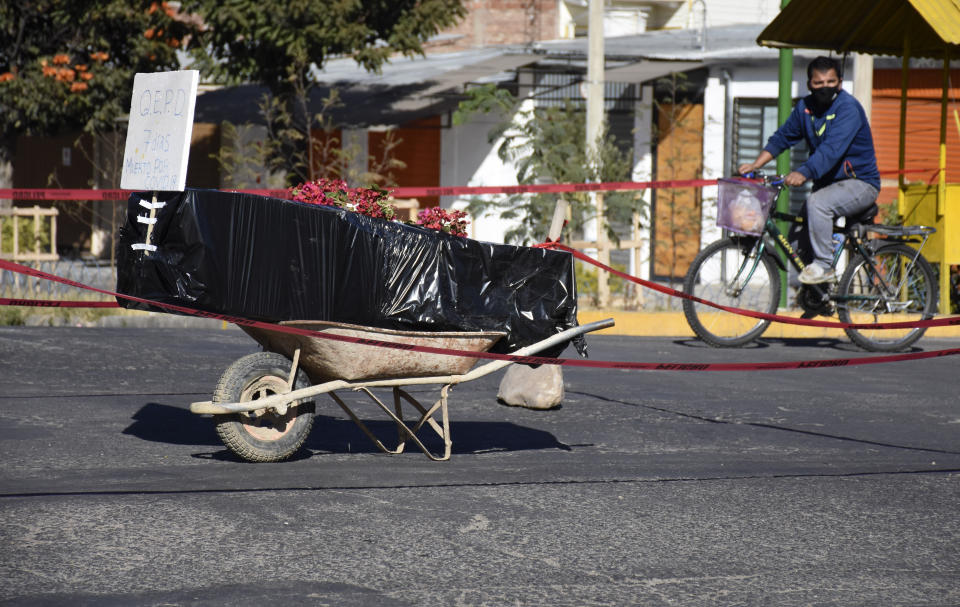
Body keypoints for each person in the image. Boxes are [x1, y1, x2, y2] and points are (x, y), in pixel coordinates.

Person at [738, 56, 880, 284]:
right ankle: (820, 298)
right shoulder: (805, 108)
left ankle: (825, 267)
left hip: (860, 183)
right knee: (796, 244)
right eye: (819, 83)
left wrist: (804, 172)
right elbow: (782, 138)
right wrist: (756, 164)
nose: (825, 87)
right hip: (828, 186)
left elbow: (831, 151)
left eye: (830, 82)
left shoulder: (848, 109)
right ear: (809, 85)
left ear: (840, 83)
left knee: (817, 204)